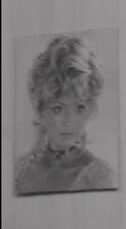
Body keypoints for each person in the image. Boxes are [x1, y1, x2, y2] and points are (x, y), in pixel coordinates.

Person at [14, 34, 116, 194]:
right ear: (41, 110)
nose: (69, 121)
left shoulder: (102, 177)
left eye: (79, 108)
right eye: (57, 108)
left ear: (90, 109)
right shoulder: (19, 171)